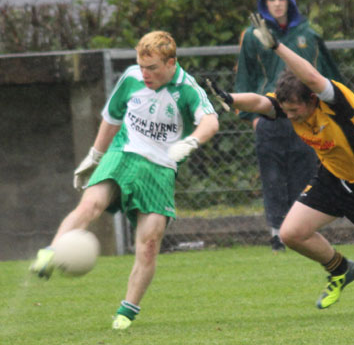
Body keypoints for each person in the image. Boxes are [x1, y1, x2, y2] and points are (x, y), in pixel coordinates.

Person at [211, 14, 354, 311]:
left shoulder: (335, 101)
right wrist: (230, 98)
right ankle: (341, 269)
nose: (290, 117)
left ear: (312, 99)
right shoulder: (289, 105)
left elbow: (312, 77)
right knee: (291, 234)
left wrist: (276, 46)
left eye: (295, 111)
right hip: (332, 178)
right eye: (286, 110)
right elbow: (262, 103)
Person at [30, 31, 219, 329]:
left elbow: (211, 121)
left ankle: (127, 312)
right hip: (124, 152)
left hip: (160, 168)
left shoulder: (188, 89)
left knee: (148, 243)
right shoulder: (131, 77)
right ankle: (51, 254)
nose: (145, 74)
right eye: (142, 66)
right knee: (90, 204)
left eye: (153, 68)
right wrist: (93, 157)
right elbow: (112, 118)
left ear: (171, 63)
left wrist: (192, 142)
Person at [234, 0, 342, 251]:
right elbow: (246, 76)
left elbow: (328, 76)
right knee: (271, 176)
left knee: (305, 174)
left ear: (290, 3)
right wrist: (253, 118)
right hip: (270, 116)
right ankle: (276, 233)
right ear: (264, 3)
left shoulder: (309, 34)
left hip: (306, 117)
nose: (277, 4)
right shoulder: (252, 35)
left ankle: (301, 231)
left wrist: (332, 111)